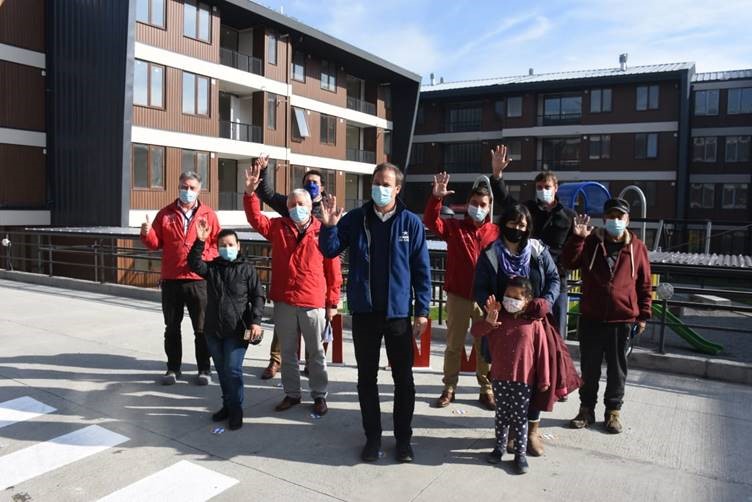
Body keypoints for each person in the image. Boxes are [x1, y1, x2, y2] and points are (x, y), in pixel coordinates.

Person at [319, 162, 431, 463]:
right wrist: (329, 226)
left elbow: (422, 271)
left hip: (397, 316)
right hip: (365, 313)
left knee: (403, 380)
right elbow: (329, 250)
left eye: (386, 183)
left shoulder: (411, 223)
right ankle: (373, 438)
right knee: (366, 378)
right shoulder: (356, 219)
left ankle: (403, 440)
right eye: (376, 182)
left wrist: (422, 310)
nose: (379, 188)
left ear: (397, 188)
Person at [244, 163, 341, 416]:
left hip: (313, 301)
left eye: (301, 204)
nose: (296, 208)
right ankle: (292, 394)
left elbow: (333, 270)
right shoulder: (279, 228)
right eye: (292, 205)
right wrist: (250, 194)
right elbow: (255, 219)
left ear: (311, 207)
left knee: (316, 354)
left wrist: (332, 303)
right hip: (285, 300)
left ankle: (319, 395)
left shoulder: (324, 232)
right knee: (288, 353)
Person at [473, 203, 559, 456]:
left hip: (533, 326)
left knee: (532, 381)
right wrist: (490, 307)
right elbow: (479, 287)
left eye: (522, 225)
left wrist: (546, 302)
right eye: (513, 224)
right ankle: (510, 431)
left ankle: (531, 431)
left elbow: (554, 278)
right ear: (504, 224)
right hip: (501, 327)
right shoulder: (491, 253)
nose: (517, 229)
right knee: (505, 379)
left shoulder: (538, 250)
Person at [561, 198, 652, 434]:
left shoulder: (637, 247)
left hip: (622, 321)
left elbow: (644, 284)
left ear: (627, 220)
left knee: (617, 370)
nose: (615, 221)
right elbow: (568, 262)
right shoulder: (591, 242)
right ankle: (586, 410)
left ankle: (613, 412)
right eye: (611, 217)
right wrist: (578, 238)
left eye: (619, 217)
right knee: (589, 369)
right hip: (592, 318)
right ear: (604, 218)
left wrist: (643, 315)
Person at [423, 172, 499, 410]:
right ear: (468, 205)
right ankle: (449, 387)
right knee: (454, 344)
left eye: (483, 204)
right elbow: (430, 221)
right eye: (474, 203)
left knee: (484, 346)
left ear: (489, 207)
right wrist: (436, 199)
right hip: (457, 295)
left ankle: (486, 389)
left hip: (485, 298)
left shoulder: (496, 232)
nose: (478, 208)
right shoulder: (455, 227)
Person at [251, 155, 328, 380]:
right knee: (284, 333)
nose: (311, 185)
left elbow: (334, 250)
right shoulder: (291, 205)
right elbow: (267, 194)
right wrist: (264, 171)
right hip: (288, 286)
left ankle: (314, 379)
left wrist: (331, 294)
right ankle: (276, 362)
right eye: (308, 181)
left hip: (312, 286)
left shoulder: (326, 211)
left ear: (321, 188)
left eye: (315, 182)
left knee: (316, 340)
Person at [141, 171, 220, 386]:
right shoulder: (165, 213)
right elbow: (155, 243)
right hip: (172, 279)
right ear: (178, 187)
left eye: (192, 188)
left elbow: (216, 245)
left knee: (202, 328)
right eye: (184, 187)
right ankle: (173, 369)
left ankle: (204, 369)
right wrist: (147, 233)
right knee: (172, 328)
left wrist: (204, 260)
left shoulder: (208, 214)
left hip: (198, 280)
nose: (188, 191)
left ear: (199, 189)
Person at [490, 145, 575, 340]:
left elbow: (573, 253)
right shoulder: (527, 210)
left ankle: (551, 370)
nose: (543, 190)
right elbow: (506, 201)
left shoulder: (569, 217)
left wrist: (578, 241)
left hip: (556, 282)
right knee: (524, 332)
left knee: (554, 334)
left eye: (547, 187)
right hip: (528, 280)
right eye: (539, 187)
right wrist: (497, 175)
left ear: (556, 188)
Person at [188, 223, 265, 430]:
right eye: (222, 245)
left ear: (238, 246)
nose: (227, 248)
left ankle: (236, 409)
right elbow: (193, 263)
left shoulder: (247, 269)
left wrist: (256, 321)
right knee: (222, 371)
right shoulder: (212, 268)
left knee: (233, 370)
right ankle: (227, 405)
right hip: (213, 330)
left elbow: (258, 296)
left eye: (230, 244)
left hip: (237, 331)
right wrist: (200, 241)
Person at [471, 277, 550, 474]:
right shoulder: (497, 318)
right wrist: (489, 321)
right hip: (499, 378)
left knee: (520, 418)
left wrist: (545, 378)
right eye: (508, 295)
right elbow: (476, 331)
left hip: (523, 381)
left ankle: (520, 454)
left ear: (528, 300)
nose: (511, 300)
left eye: (517, 297)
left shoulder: (534, 323)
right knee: (501, 416)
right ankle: (499, 448)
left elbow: (542, 352)